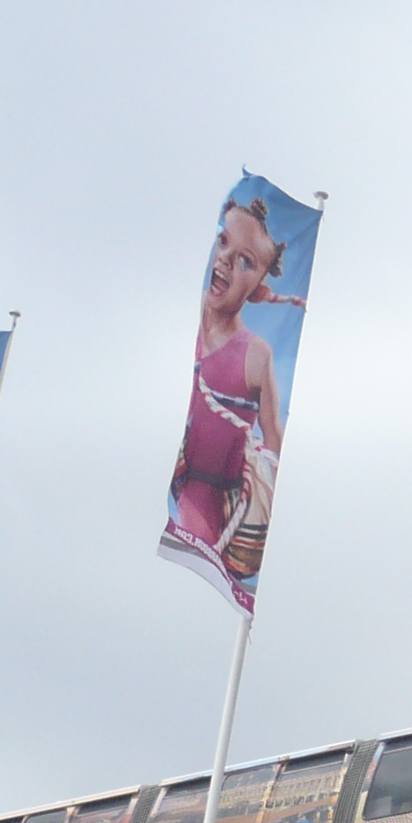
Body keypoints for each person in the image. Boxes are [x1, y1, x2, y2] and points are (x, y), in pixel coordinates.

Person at [169, 195, 295, 591]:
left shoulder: (255, 354)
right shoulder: (183, 333)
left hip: (217, 511)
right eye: (223, 244)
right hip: (174, 487)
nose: (225, 259)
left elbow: (274, 438)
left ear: (258, 290)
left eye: (246, 261)